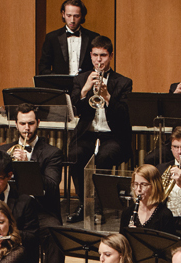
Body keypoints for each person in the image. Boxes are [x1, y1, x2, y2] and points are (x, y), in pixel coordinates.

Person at [0, 104, 65, 263]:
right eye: (22, 124)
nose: (27, 128)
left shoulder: (52, 153)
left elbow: (52, 186)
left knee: (55, 234)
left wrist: (29, 164)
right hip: (13, 209)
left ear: (38, 123)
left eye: (31, 123)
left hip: (40, 209)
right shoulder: (4, 149)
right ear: (16, 124)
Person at [67, 36, 132, 223]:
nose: (99, 60)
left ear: (111, 56)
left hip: (113, 135)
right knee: (75, 154)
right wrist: (84, 91)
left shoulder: (123, 82)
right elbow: (73, 110)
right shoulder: (81, 79)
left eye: (103, 55)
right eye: (95, 55)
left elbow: (124, 114)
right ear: (90, 55)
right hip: (87, 133)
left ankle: (99, 206)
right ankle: (84, 204)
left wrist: (108, 96)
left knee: (104, 157)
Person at [38, 0, 100, 76]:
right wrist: (56, 79)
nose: (72, 20)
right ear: (63, 14)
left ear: (82, 16)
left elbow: (100, 64)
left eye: (76, 16)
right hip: (59, 82)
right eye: (69, 16)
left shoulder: (93, 37)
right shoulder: (52, 38)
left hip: (86, 82)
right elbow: (43, 67)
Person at [120, 164, 175, 235]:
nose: (139, 189)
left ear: (154, 186)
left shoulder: (165, 215)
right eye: (136, 184)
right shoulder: (127, 213)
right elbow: (121, 241)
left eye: (144, 184)